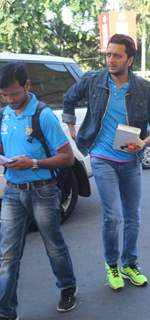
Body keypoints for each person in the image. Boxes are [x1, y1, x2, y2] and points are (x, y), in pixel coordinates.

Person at [62, 34, 150, 290]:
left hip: (131, 159)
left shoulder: (145, 89)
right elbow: (69, 98)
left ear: (129, 60)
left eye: (117, 55)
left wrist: (147, 141)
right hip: (102, 157)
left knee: (133, 217)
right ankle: (112, 265)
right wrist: (71, 124)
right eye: (108, 54)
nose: (110, 59)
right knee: (113, 216)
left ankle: (130, 264)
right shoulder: (93, 80)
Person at [0, 63, 77, 320]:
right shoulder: (5, 115)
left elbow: (67, 158)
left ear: (27, 86)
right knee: (8, 256)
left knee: (53, 245)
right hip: (12, 191)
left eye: (14, 94)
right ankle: (6, 312)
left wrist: (32, 163)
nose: (9, 100)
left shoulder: (43, 115)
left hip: (43, 191)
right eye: (4, 95)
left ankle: (67, 288)